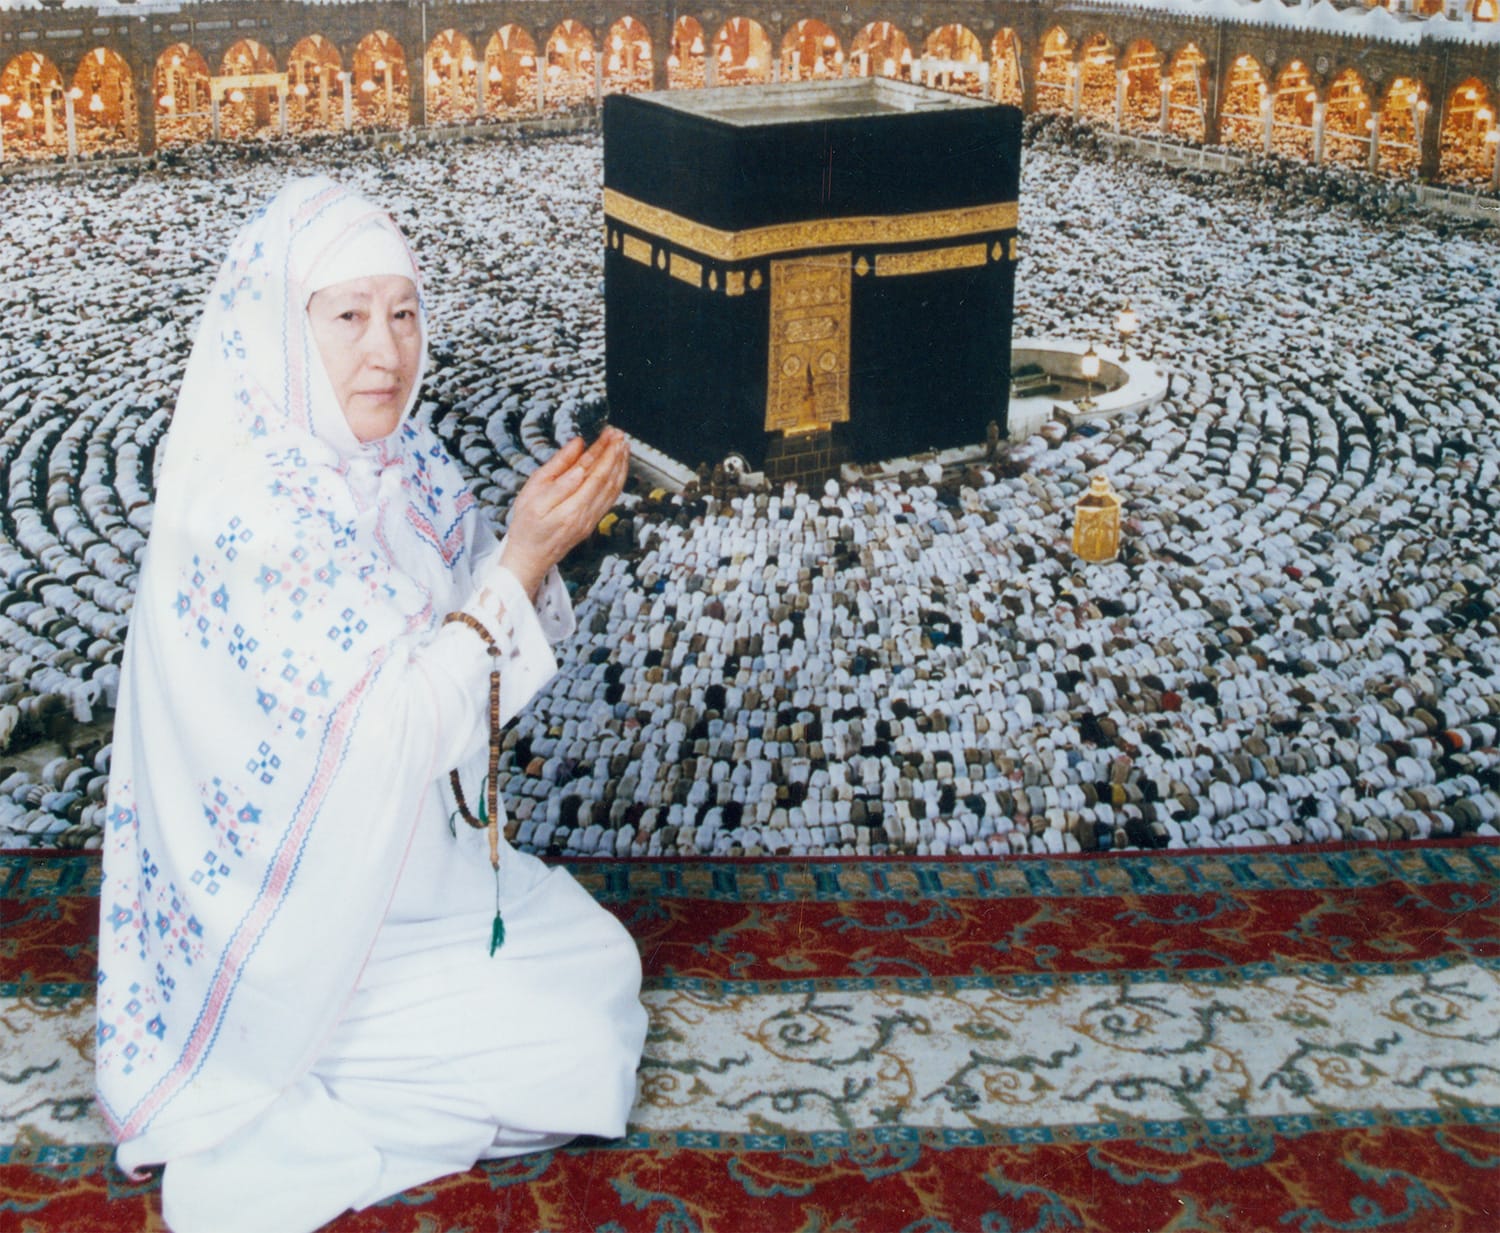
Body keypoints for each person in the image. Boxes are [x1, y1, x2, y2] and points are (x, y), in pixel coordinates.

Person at [94, 176, 646, 1233]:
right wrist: (524, 557)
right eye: (349, 316)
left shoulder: (401, 461)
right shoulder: (248, 507)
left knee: (596, 959)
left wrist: (531, 546)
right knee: (574, 1042)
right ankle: (290, 1074)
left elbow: (470, 622)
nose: (385, 351)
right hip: (288, 922)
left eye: (403, 313)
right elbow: (399, 730)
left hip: (398, 874)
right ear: (282, 329)